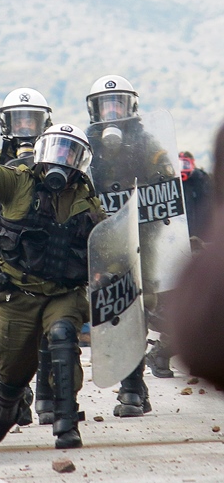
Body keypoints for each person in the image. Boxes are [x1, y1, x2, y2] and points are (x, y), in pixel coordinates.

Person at [0, 87, 105, 449]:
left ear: (80, 162)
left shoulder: (88, 201)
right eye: (57, 151)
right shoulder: (17, 184)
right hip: (19, 294)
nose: (62, 161)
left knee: (63, 337)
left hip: (64, 294)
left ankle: (66, 422)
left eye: (70, 154)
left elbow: (111, 247)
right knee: (13, 372)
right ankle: (6, 408)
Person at [85, 75, 180, 411]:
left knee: (139, 306)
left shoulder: (147, 142)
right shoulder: (87, 147)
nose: (112, 111)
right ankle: (131, 387)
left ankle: (134, 388)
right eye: (105, 105)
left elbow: (168, 186)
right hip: (106, 239)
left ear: (130, 106)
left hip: (144, 237)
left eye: (117, 103)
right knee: (115, 308)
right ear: (95, 109)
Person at [0, 88, 54, 426]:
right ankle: (20, 397)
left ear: (45, 122)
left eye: (33, 119)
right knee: (12, 338)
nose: (26, 126)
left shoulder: (59, 162)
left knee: (51, 331)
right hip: (8, 264)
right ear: (6, 123)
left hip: (49, 260)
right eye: (19, 118)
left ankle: (49, 398)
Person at [167, 122, 224, 389]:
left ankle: (161, 353)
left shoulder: (201, 180)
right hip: (187, 239)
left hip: (201, 239)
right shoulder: (173, 182)